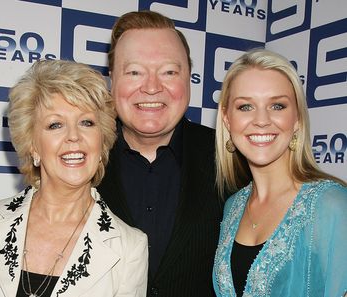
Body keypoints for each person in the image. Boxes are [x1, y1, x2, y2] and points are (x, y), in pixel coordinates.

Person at [0, 59, 148, 297]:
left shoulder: (129, 248)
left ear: (102, 141)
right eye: (55, 125)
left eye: (86, 122)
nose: (74, 136)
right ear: (33, 146)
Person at [97, 10, 223, 297]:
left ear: (188, 78)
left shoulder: (231, 157)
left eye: (169, 72)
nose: (152, 87)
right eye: (134, 72)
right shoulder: (80, 156)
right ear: (112, 80)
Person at [212, 48, 347, 296]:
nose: (261, 120)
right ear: (227, 119)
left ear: (297, 118)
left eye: (277, 105)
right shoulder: (233, 206)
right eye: (245, 107)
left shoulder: (332, 205)